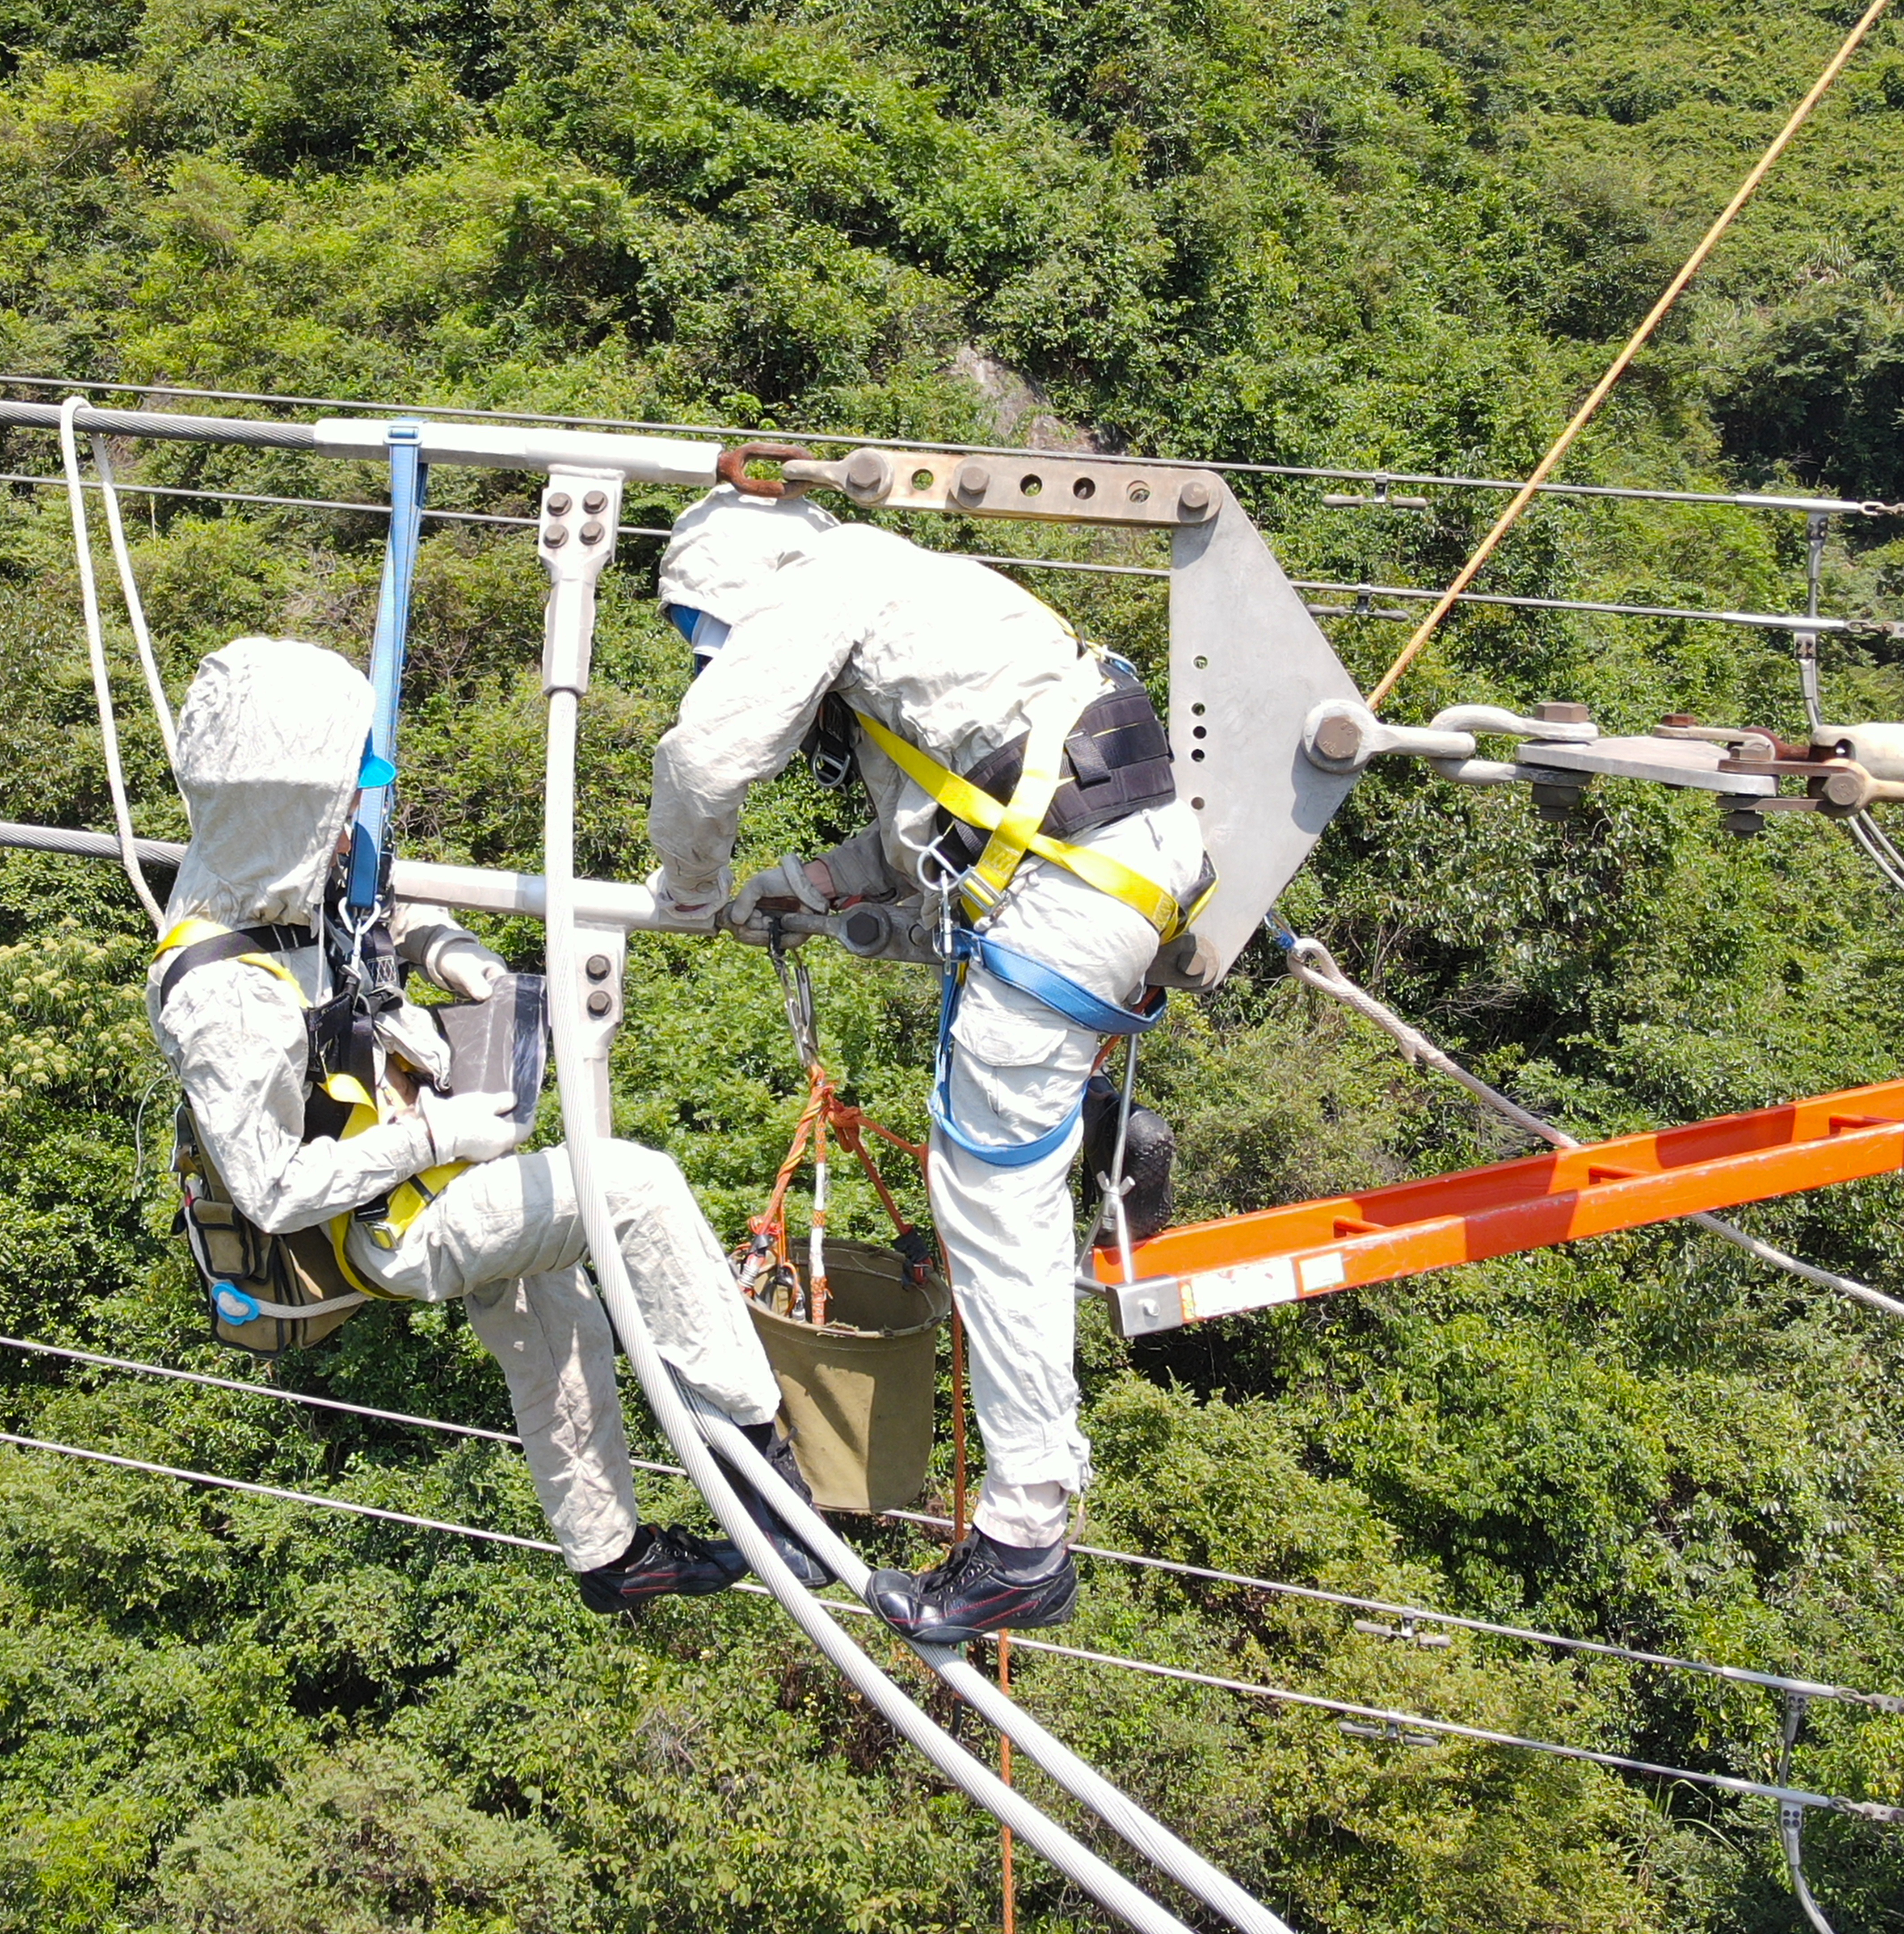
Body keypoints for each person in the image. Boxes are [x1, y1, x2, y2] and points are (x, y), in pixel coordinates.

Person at [148, 635, 824, 1612]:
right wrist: (439, 1136)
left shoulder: (273, 862)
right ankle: (767, 1476)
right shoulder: (223, 1000)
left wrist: (464, 962)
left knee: (553, 1317)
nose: (355, 813)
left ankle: (608, 1554)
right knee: (633, 1190)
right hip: (388, 1223)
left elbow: (378, 909)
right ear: (295, 804)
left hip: (424, 1141)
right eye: (344, 788)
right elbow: (275, 1189)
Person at [647, 486, 1209, 1644]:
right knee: (1013, 1126)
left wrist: (692, 889)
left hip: (1071, 887)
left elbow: (706, 763)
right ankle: (1095, 1125)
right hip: (1117, 858)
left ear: (738, 592)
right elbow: (938, 830)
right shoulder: (915, 603)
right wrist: (797, 891)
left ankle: (1024, 1538)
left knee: (988, 1201)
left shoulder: (821, 580)